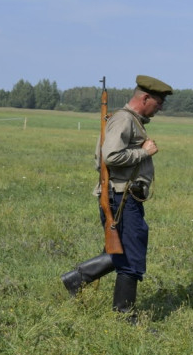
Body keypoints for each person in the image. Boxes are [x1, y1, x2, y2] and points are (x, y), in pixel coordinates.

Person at [59, 75, 173, 318]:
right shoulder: (123, 119)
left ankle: (75, 280)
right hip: (122, 199)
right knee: (131, 257)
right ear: (145, 98)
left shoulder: (130, 120)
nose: (161, 107)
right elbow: (110, 156)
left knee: (119, 252)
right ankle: (123, 316)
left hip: (123, 197)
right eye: (159, 102)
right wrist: (143, 153)